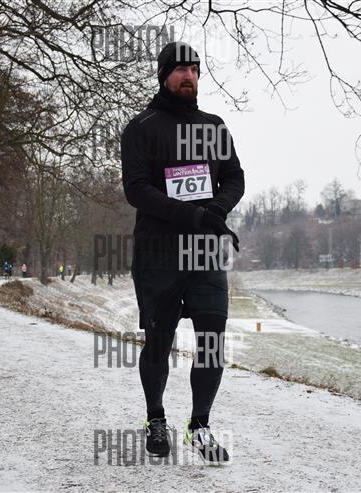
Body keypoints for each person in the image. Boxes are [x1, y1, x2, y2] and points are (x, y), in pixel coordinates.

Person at [121, 42, 244, 463]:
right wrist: (191, 215)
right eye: (179, 69)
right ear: (163, 75)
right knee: (159, 342)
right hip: (158, 254)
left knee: (212, 341)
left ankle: (200, 426)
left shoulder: (214, 126)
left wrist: (216, 210)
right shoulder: (142, 127)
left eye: (194, 69)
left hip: (206, 252)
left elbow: (235, 178)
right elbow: (137, 189)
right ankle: (156, 418)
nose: (188, 75)